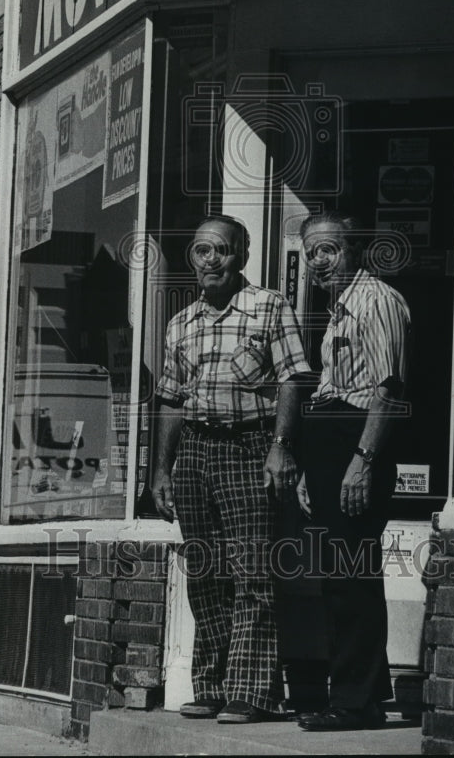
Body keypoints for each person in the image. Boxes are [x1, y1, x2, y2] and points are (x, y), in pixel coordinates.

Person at [151, 215, 311, 724]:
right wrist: (162, 470)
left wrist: (281, 447)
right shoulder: (181, 323)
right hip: (195, 452)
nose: (210, 260)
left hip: (250, 445)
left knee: (251, 573)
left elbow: (292, 381)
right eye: (201, 251)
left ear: (241, 255)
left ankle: (251, 692)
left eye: (220, 250)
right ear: (191, 260)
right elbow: (171, 401)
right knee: (203, 572)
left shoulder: (269, 306)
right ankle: (211, 685)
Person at [295, 211, 411, 732]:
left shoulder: (377, 301)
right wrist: (307, 465)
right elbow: (328, 387)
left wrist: (361, 463)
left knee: (352, 577)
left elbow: (388, 390)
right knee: (337, 578)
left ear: (355, 249)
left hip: (356, 443)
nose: (320, 260)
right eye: (312, 251)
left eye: (330, 249)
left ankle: (355, 702)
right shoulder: (339, 309)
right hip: (329, 444)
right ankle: (361, 692)